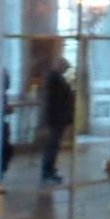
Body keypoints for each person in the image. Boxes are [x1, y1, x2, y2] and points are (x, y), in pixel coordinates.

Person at [40, 56, 75, 186]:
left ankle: (51, 170)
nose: (66, 70)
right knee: (52, 147)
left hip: (58, 119)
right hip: (55, 119)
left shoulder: (58, 79)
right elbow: (51, 102)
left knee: (54, 147)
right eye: (65, 67)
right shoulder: (54, 79)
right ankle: (47, 173)